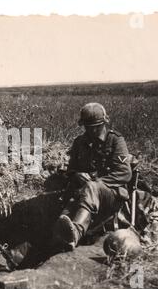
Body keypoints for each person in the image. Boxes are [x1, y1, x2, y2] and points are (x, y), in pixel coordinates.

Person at [54, 103, 133, 250]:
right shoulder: (79, 142)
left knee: (91, 188)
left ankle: (76, 232)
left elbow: (124, 173)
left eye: (97, 126)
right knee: (65, 215)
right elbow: (71, 170)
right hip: (84, 193)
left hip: (111, 195)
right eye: (88, 127)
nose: (92, 130)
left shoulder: (115, 140)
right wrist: (77, 175)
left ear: (104, 123)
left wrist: (96, 183)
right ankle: (63, 240)